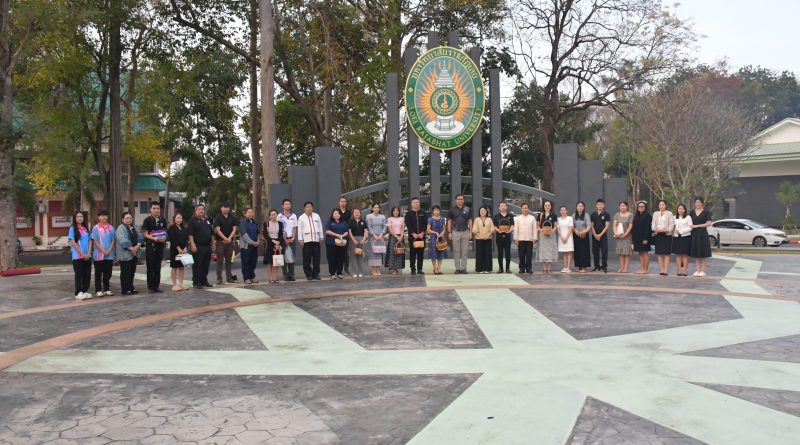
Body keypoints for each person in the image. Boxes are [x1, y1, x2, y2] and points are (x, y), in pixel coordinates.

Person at [142, 201, 167, 293]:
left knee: (158, 266)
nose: (156, 210)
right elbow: (145, 234)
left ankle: (156, 286)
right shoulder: (147, 220)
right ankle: (150, 287)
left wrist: (164, 238)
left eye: (158, 208)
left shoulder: (162, 220)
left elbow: (165, 232)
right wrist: (154, 238)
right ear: (150, 209)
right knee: (150, 266)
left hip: (160, 246)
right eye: (154, 208)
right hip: (150, 246)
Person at [188, 204, 215, 289]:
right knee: (197, 265)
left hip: (207, 246)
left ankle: (204, 280)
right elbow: (190, 234)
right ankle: (196, 282)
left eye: (202, 209)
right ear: (196, 211)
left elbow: (211, 233)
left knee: (206, 265)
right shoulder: (192, 221)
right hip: (198, 246)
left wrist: (213, 243)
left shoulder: (207, 221)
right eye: (199, 209)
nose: (201, 211)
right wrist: (192, 244)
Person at [90, 209, 116, 298]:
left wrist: (109, 250)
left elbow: (113, 240)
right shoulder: (95, 228)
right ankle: (98, 290)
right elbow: (95, 241)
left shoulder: (111, 228)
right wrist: (103, 250)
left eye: (105, 215)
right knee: (98, 273)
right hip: (98, 255)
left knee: (108, 273)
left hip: (109, 254)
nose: (104, 217)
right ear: (99, 217)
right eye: (102, 215)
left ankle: (106, 289)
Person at [68, 211, 92, 300]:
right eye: (78, 217)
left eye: (81, 216)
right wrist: (82, 254)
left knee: (87, 274)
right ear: (75, 218)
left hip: (87, 255)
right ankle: (78, 292)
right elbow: (72, 242)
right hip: (77, 256)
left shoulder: (86, 228)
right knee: (79, 274)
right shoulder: (72, 229)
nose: (80, 218)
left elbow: (90, 241)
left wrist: (89, 253)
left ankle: (85, 291)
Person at [116, 211, 141, 295]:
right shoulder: (120, 228)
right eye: (126, 218)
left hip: (134, 253)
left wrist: (137, 246)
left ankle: (131, 287)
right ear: (122, 219)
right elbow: (122, 239)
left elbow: (140, 237)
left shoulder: (135, 227)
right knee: (125, 272)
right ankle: (125, 289)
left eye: (130, 218)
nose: (128, 220)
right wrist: (132, 249)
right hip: (125, 254)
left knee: (132, 271)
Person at [297, 201, 323, 280]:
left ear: (312, 208)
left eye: (310, 207)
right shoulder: (301, 217)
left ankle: (316, 274)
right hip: (306, 241)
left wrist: (321, 237)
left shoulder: (317, 216)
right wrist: (300, 240)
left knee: (316, 258)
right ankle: (308, 274)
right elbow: (300, 229)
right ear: (304, 208)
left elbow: (320, 226)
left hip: (316, 240)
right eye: (307, 207)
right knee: (306, 258)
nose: (309, 208)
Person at [213, 202, 238, 285]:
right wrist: (225, 239)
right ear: (221, 208)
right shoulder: (218, 217)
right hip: (220, 242)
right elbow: (217, 230)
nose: (226, 208)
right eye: (224, 207)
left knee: (229, 260)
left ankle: (229, 277)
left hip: (229, 242)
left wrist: (229, 238)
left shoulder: (232, 217)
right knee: (220, 260)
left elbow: (234, 229)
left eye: (227, 207)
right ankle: (219, 278)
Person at [447, 194, 473, 274]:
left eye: (461, 199)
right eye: (458, 199)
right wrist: (449, 232)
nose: (460, 200)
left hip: (465, 231)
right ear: (456, 200)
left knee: (465, 251)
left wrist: (470, 232)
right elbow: (449, 221)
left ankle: (463, 268)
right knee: (456, 251)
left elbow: (470, 221)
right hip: (455, 232)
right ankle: (458, 268)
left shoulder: (467, 209)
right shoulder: (452, 210)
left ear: (463, 200)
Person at [689, 197, 713, 277]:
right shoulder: (692, 212)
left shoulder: (706, 212)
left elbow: (709, 223)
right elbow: (688, 222)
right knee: (697, 253)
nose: (698, 204)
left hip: (703, 234)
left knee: (703, 253)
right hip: (694, 234)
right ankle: (697, 270)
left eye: (699, 202)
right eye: (696, 202)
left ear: (702, 203)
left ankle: (703, 271)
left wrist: (697, 226)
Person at [404, 197, 428, 275]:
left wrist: (422, 233)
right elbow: (408, 225)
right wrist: (412, 233)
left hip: (421, 237)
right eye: (414, 202)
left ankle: (420, 269)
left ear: (419, 203)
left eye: (417, 202)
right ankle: (413, 269)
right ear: (412, 204)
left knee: (421, 254)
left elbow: (425, 224)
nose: (416, 204)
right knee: (412, 254)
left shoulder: (423, 213)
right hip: (412, 237)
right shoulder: (408, 214)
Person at [651, 199, 675, 276]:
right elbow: (653, 225)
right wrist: (656, 229)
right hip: (658, 235)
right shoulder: (655, 213)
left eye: (663, 204)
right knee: (659, 253)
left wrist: (664, 230)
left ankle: (666, 270)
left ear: (666, 205)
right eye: (660, 205)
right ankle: (661, 269)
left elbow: (671, 226)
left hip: (666, 235)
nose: (661, 206)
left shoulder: (669, 214)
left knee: (667, 253)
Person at [261, 209, 285, 284]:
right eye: (272, 214)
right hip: (269, 243)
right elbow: (265, 234)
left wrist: (278, 243)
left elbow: (281, 234)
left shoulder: (280, 223)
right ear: (269, 216)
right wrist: (272, 240)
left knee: (276, 261)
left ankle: (275, 277)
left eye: (275, 214)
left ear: (277, 215)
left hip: (278, 243)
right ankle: (270, 278)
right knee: (269, 262)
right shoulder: (266, 223)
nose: (273, 216)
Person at [324, 209, 349, 279]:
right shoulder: (330, 222)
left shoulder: (343, 222)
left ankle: (339, 273)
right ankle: (332, 273)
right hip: (331, 243)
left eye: (338, 213)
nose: (336, 215)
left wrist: (342, 236)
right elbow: (327, 231)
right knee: (331, 258)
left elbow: (347, 231)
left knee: (340, 258)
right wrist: (337, 235)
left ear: (340, 215)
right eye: (335, 213)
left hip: (341, 243)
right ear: (332, 214)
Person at [513, 203, 538, 274]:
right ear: (521, 209)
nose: (525, 209)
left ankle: (529, 268)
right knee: (521, 255)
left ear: (528, 209)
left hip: (530, 239)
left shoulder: (532, 218)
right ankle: (522, 268)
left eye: (526, 208)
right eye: (523, 208)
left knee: (529, 255)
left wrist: (535, 238)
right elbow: (516, 229)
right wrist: (516, 239)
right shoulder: (518, 218)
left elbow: (534, 229)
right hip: (520, 240)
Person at [168, 212, 190, 291]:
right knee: (174, 267)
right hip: (175, 250)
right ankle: (174, 284)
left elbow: (186, 239)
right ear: (174, 219)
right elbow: (172, 239)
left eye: (180, 218)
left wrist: (185, 247)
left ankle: (181, 283)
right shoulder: (172, 228)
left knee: (181, 267)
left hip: (183, 251)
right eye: (177, 218)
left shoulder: (184, 228)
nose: (179, 219)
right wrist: (178, 248)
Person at [278, 198, 298, 282]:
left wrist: (293, 237)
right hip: (283, 240)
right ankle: (285, 275)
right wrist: (284, 239)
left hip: (291, 239)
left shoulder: (294, 216)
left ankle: (291, 275)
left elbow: (295, 228)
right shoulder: (279, 216)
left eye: (289, 204)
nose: (287, 205)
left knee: (292, 257)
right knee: (284, 258)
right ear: (282, 206)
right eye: (285, 204)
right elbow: (279, 229)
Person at [239, 207, 260, 284]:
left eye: (252, 212)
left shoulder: (254, 222)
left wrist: (257, 241)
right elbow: (244, 235)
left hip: (254, 246)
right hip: (246, 247)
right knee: (246, 263)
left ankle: (252, 277)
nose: (251, 214)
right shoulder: (243, 223)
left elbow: (258, 232)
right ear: (245, 214)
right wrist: (252, 242)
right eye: (249, 212)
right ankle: (246, 278)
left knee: (253, 262)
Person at [537, 200, 558, 273]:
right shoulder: (540, 215)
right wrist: (541, 231)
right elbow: (538, 225)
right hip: (542, 235)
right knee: (543, 251)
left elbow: (555, 226)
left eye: (549, 205)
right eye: (546, 205)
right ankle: (544, 268)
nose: (547, 207)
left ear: (551, 206)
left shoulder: (554, 215)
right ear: (543, 206)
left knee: (550, 251)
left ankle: (549, 268)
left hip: (551, 235)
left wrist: (552, 231)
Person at [632, 201, 653, 274]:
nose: (641, 208)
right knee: (640, 253)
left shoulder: (648, 216)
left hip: (644, 238)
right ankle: (642, 268)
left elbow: (648, 228)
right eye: (639, 206)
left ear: (645, 207)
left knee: (645, 253)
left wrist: (646, 238)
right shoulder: (636, 215)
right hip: (637, 238)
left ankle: (646, 269)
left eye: (642, 206)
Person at [590, 199, 611, 273]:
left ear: (604, 205)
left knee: (604, 252)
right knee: (595, 252)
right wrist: (595, 234)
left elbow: (607, 226)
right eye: (598, 204)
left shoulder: (606, 214)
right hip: (595, 236)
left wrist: (600, 235)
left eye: (601, 204)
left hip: (603, 236)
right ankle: (596, 266)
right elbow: (592, 226)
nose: (600, 206)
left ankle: (604, 266)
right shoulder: (593, 214)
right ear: (596, 205)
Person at [493, 202, 514, 274]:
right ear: (499, 208)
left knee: (508, 253)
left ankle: (508, 268)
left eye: (504, 206)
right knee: (500, 253)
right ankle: (500, 268)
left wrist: (510, 231)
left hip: (507, 237)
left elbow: (512, 225)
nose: (503, 207)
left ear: (506, 207)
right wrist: (498, 230)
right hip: (499, 237)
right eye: (501, 206)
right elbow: (495, 226)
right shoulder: (496, 216)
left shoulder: (510, 215)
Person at [366, 203, 387, 276]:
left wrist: (381, 234)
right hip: (372, 237)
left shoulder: (382, 216)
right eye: (375, 207)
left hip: (380, 237)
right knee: (373, 253)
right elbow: (369, 226)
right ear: (372, 208)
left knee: (379, 252)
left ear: (379, 209)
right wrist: (374, 234)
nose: (376, 209)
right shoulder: (369, 216)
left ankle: (378, 269)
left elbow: (384, 226)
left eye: (377, 207)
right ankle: (373, 270)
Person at [473, 206, 495, 273]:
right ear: (479, 212)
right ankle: (480, 269)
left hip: (488, 239)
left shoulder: (489, 219)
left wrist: (487, 235)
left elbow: (492, 229)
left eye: (484, 211)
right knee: (479, 254)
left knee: (488, 254)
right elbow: (474, 229)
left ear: (486, 212)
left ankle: (487, 269)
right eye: (481, 211)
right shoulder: (476, 219)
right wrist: (480, 236)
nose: (482, 212)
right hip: (479, 239)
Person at [613, 201, 634, 273]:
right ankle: (621, 267)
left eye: (624, 206)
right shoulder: (617, 215)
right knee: (621, 252)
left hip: (627, 237)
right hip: (619, 236)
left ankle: (625, 268)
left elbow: (630, 226)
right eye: (621, 206)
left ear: (627, 206)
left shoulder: (630, 215)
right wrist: (615, 233)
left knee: (627, 252)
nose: (622, 207)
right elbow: (614, 224)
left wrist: (625, 235)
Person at [426, 205, 447, 275]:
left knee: (440, 253)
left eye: (437, 210)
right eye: (435, 210)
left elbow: (444, 228)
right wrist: (435, 232)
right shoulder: (430, 219)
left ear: (440, 211)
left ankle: (439, 268)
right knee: (433, 254)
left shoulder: (442, 219)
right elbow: (428, 230)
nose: (436, 211)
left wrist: (442, 233)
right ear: (433, 211)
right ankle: (435, 269)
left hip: (441, 238)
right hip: (433, 238)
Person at [348, 208, 369, 278]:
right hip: (353, 239)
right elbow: (349, 231)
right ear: (353, 214)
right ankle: (354, 272)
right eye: (355, 212)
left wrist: (364, 239)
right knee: (353, 256)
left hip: (361, 239)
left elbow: (366, 231)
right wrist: (353, 239)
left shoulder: (363, 221)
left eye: (358, 212)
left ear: (360, 213)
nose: (357, 213)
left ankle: (361, 272)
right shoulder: (351, 221)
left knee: (360, 255)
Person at [672, 203, 692, 276]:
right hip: (676, 237)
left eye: (682, 209)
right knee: (678, 255)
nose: (681, 210)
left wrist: (681, 231)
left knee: (685, 255)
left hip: (685, 237)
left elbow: (690, 227)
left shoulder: (688, 217)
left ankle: (685, 271)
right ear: (677, 209)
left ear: (685, 210)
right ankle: (679, 270)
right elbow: (672, 226)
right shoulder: (674, 217)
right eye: (679, 209)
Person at [385, 206, 406, 274]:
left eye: (397, 211)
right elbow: (390, 229)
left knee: (399, 252)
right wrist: (396, 236)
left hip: (400, 236)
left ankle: (398, 268)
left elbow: (403, 228)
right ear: (392, 212)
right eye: (394, 211)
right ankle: (393, 269)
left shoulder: (402, 219)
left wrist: (401, 236)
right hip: (393, 236)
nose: (396, 212)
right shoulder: (390, 219)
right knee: (392, 252)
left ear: (399, 212)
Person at [573, 202, 591, 273]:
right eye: (578, 206)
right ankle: (579, 267)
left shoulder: (586, 215)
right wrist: (576, 231)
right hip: (576, 235)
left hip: (584, 235)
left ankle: (584, 267)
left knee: (584, 251)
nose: (580, 207)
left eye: (581, 206)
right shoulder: (574, 215)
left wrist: (584, 232)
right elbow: (572, 225)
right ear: (576, 207)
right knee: (577, 251)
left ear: (583, 207)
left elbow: (589, 225)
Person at [557, 206, 574, 273]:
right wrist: (562, 237)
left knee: (569, 252)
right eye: (561, 210)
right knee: (564, 252)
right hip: (561, 237)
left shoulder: (570, 218)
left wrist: (566, 237)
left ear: (566, 211)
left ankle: (568, 268)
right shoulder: (558, 219)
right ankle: (565, 267)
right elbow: (558, 229)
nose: (563, 211)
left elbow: (570, 228)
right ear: (560, 211)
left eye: (564, 210)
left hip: (569, 237)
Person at [337, 196, 352, 275]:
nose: (343, 203)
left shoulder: (349, 212)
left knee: (346, 252)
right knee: (338, 252)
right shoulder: (336, 211)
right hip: (338, 234)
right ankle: (338, 269)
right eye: (341, 201)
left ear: (346, 203)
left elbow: (350, 222)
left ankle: (346, 269)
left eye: (344, 201)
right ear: (339, 202)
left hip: (346, 234)